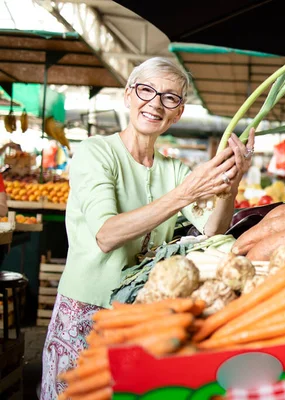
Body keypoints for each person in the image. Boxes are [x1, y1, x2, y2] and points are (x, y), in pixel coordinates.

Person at [40, 57, 255, 399]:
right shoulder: (96, 153)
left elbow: (213, 232)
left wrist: (231, 186)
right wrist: (184, 194)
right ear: (128, 95)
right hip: (85, 310)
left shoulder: (175, 170)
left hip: (142, 313)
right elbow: (106, 235)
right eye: (146, 90)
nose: (155, 103)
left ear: (178, 112)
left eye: (170, 97)